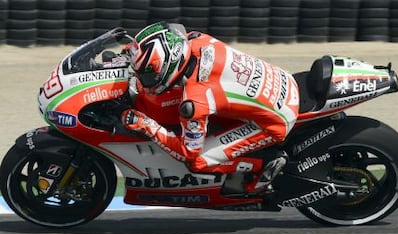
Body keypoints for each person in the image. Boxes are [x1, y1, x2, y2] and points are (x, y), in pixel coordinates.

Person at [122, 22, 299, 195]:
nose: (145, 82)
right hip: (283, 80)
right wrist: (132, 53)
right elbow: (169, 41)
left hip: (276, 120)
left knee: (198, 162)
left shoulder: (195, 101)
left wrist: (146, 124)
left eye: (149, 75)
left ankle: (268, 161)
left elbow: (188, 152)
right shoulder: (197, 39)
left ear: (170, 65)